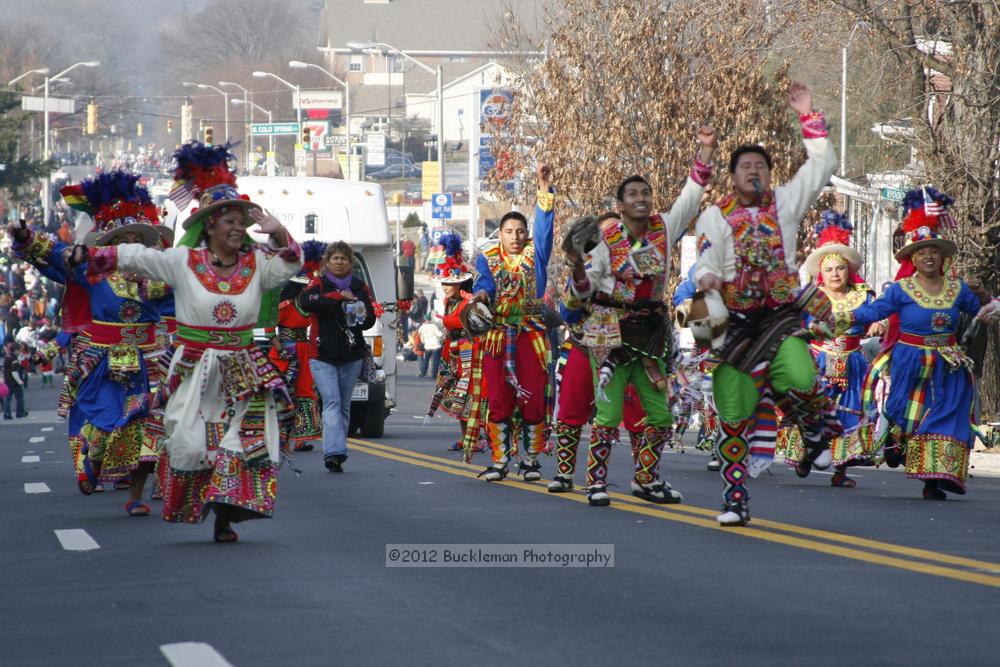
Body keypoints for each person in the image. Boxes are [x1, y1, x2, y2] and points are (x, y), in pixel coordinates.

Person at [65, 142, 302, 541]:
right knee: (190, 445)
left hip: (245, 369)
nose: (236, 228)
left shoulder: (257, 264)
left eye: (240, 221)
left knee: (244, 443)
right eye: (228, 220)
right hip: (194, 369)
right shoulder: (183, 262)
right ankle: (201, 498)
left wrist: (276, 229)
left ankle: (226, 518)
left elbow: (292, 260)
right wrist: (85, 255)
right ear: (208, 226)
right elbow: (134, 257)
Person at [694, 81, 840, 526]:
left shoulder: (786, 202)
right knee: (734, 417)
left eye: (760, 165)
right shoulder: (716, 215)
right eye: (745, 166)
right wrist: (707, 276)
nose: (753, 171)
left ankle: (813, 429)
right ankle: (735, 499)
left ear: (770, 174)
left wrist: (808, 117)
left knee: (800, 375)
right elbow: (704, 259)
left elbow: (822, 166)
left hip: (780, 318)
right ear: (733, 175)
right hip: (735, 326)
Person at [567, 128, 717, 505]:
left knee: (661, 415)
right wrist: (578, 271)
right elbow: (585, 290)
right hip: (610, 337)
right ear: (620, 204)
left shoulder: (664, 227)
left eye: (645, 193)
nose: (641, 198)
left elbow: (691, 195)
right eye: (632, 194)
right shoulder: (604, 242)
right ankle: (597, 483)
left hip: (651, 337)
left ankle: (646, 480)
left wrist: (706, 149)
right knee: (608, 411)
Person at [9, 172, 174, 512]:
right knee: (105, 418)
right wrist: (27, 239)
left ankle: (139, 494)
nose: (130, 245)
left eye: (136, 240)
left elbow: (184, 304)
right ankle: (94, 457)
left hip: (152, 357)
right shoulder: (93, 270)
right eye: (123, 239)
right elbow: (58, 254)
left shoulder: (160, 274)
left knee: (154, 418)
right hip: (104, 357)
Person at [839, 188, 990, 499]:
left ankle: (936, 478)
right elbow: (875, 310)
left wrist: (989, 301)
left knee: (946, 413)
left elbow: (980, 314)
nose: (929, 256)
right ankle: (899, 440)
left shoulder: (957, 289)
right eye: (922, 252)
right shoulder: (901, 289)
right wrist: (842, 316)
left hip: (948, 362)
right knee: (901, 410)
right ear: (912, 258)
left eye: (934, 251)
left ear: (942, 256)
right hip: (910, 359)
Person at [779, 211, 883, 487]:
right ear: (820, 274)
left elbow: (876, 318)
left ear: (849, 270)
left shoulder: (864, 296)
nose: (835, 273)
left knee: (850, 415)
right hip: (819, 364)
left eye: (840, 268)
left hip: (853, 364)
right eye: (829, 269)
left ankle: (841, 471)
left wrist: (877, 326)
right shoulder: (810, 299)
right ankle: (808, 453)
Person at [472, 164, 555, 482]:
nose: (516, 236)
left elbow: (545, 229)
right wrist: (480, 295)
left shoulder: (537, 254)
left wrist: (544, 192)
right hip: (497, 336)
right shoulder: (489, 256)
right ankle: (499, 460)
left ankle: (531, 460)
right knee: (499, 399)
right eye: (509, 231)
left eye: (521, 231)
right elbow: (485, 284)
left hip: (530, 336)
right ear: (501, 233)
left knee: (532, 398)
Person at [298, 241, 376, 473]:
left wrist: (358, 306)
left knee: (343, 405)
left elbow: (369, 321)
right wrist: (337, 297)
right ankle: (334, 451)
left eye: (343, 258)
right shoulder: (318, 284)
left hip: (351, 355)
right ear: (327, 262)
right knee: (331, 401)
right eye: (335, 258)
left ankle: (337, 452)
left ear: (350, 262)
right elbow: (305, 302)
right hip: (321, 355)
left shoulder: (360, 286)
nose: (339, 262)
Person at [423, 233, 486, 454]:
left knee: (468, 397)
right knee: (456, 398)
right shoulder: (448, 301)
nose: (446, 286)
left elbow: (462, 321)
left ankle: (475, 438)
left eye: (451, 282)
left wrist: (442, 320)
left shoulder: (469, 301)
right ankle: (464, 438)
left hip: (469, 355)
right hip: (452, 354)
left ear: (461, 282)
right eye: (444, 282)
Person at [2, 340, 26, 419]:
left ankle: (7, 414)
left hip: (7, 380)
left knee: (8, 398)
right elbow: (14, 371)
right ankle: (20, 412)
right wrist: (19, 381)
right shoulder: (14, 359)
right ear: (16, 350)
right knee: (19, 396)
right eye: (19, 350)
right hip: (14, 381)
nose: (20, 351)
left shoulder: (8, 357)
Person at [417, 312, 444, 378]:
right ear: (430, 319)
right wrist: (443, 332)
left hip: (427, 346)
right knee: (435, 360)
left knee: (426, 360)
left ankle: (422, 373)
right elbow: (439, 335)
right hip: (436, 345)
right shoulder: (433, 326)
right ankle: (434, 374)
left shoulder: (421, 328)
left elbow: (422, 339)